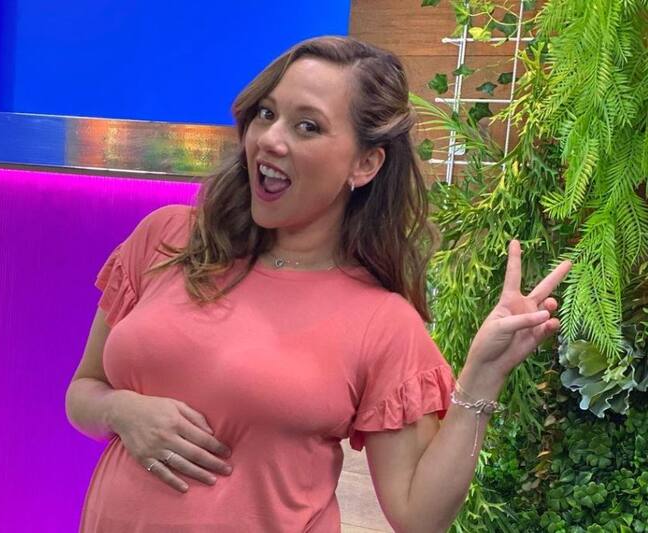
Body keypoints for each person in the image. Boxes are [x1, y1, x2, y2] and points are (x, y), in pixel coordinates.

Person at [65, 36, 571, 532]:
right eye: (266, 113)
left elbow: (419, 516)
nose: (270, 139)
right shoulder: (167, 238)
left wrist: (484, 375)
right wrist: (120, 410)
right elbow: (83, 392)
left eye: (307, 126)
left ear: (365, 164)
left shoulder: (381, 321)